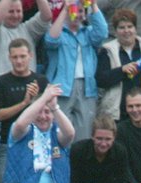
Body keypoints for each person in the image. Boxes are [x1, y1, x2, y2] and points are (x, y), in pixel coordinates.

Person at [0, 0, 53, 183]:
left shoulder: (27, 29)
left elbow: (47, 16)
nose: (14, 14)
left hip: (28, 92)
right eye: (10, 11)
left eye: (18, 10)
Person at [0, 83, 75, 183]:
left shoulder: (57, 133)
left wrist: (54, 108)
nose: (42, 116)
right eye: (38, 112)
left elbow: (70, 134)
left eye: (47, 112)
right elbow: (21, 123)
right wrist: (43, 99)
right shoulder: (21, 132)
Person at [0, 37, 49, 183]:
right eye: (15, 57)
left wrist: (38, 99)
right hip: (8, 146)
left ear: (30, 56)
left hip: (36, 145)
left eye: (22, 56)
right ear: (9, 58)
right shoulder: (1, 82)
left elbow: (49, 114)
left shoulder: (41, 81)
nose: (19, 61)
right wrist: (24, 103)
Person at [44, 0, 108, 142]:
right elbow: (50, 40)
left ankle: (79, 163)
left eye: (80, 11)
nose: (77, 14)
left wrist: (93, 5)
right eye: (74, 10)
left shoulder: (88, 33)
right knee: (59, 131)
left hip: (87, 87)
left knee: (85, 133)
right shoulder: (60, 31)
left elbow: (103, 33)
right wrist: (65, 10)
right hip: (62, 87)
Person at [96, 8, 141, 122]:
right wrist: (121, 71)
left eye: (130, 26)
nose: (126, 31)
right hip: (117, 112)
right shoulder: (107, 50)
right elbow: (100, 79)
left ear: (136, 29)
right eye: (121, 27)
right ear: (115, 31)